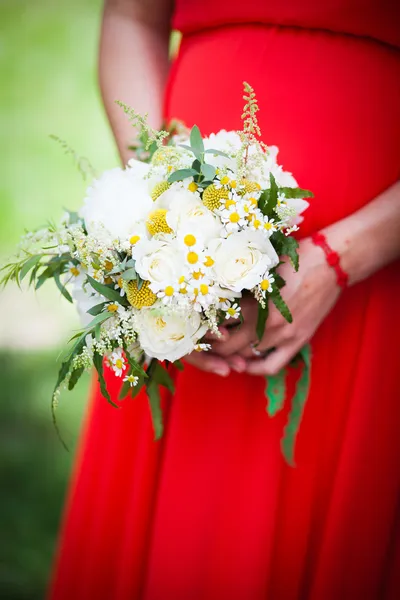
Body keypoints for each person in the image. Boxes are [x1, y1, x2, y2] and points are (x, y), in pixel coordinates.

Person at [49, 0, 400, 598]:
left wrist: (340, 260)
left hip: (373, 293)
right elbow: (132, 18)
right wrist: (160, 213)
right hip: (183, 269)